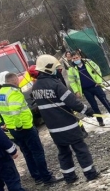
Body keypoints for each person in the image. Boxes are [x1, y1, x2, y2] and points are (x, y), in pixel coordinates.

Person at [32, 55, 100, 183]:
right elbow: (73, 103)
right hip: (68, 125)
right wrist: (88, 111)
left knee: (63, 152)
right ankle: (90, 173)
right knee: (81, 149)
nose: (58, 70)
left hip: (53, 129)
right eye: (56, 68)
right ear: (48, 68)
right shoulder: (56, 84)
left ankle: (69, 177)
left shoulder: (35, 87)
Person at [0, 71, 60, 186]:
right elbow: (15, 112)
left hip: (13, 130)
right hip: (24, 128)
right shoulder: (14, 93)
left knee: (27, 153)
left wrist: (1, 123)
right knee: (37, 152)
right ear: (14, 81)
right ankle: (46, 177)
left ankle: (37, 177)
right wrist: (19, 126)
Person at [67, 51, 110, 127]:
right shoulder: (71, 69)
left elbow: (97, 70)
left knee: (105, 102)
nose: (76, 59)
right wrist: (76, 91)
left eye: (77, 57)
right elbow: (72, 82)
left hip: (95, 86)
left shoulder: (88, 62)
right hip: (86, 90)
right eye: (74, 58)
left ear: (80, 57)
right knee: (94, 106)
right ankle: (100, 121)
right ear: (72, 59)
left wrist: (98, 81)